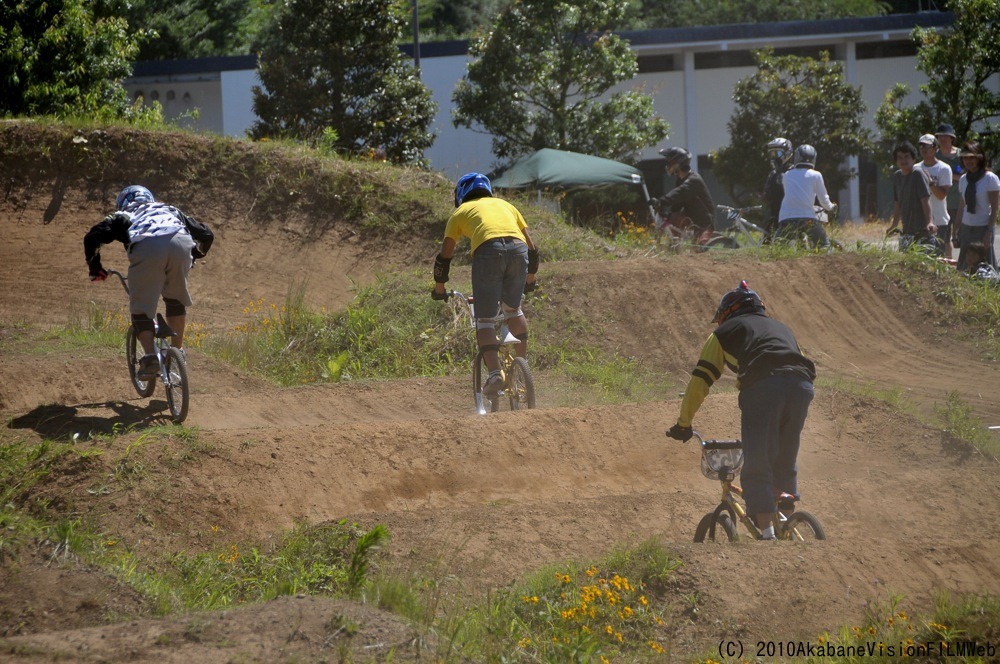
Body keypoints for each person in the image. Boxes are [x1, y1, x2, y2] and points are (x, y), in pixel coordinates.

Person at [666, 281, 816, 541]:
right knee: (785, 455)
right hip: (802, 387)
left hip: (763, 388)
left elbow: (700, 381)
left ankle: (767, 534)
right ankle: (787, 520)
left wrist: (683, 423)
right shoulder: (782, 328)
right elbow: (798, 360)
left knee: (756, 459)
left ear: (726, 313)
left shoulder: (724, 332)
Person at [432, 173, 539, 399]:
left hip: (488, 252)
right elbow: (532, 248)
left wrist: (439, 288)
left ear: (461, 194)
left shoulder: (460, 213)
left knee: (485, 320)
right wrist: (530, 280)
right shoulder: (507, 205)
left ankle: (494, 375)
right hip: (519, 252)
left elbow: (445, 256)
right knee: (513, 310)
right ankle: (522, 368)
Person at [84, 185, 205, 378]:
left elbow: (92, 237)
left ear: (122, 202)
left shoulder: (124, 215)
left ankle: (150, 358)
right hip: (181, 242)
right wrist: (193, 256)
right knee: (175, 299)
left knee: (140, 308)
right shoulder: (170, 210)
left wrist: (95, 268)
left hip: (148, 247)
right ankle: (178, 354)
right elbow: (206, 235)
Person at [654, 147, 716, 245]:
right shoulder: (681, 179)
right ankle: (670, 248)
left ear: (678, 164)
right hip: (690, 216)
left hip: (704, 222)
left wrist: (661, 201)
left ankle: (675, 247)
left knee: (701, 248)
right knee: (670, 220)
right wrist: (666, 212)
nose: (668, 166)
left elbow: (679, 193)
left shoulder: (693, 180)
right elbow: (678, 202)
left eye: (670, 163)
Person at [776, 144, 833, 249]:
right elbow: (824, 200)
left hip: (786, 219)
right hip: (807, 218)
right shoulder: (816, 175)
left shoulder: (787, 175)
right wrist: (831, 207)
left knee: (778, 247)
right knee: (824, 244)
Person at [953, 141, 999, 271]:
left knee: (985, 264)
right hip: (967, 227)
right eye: (965, 158)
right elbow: (962, 207)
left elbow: (995, 207)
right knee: (965, 264)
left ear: (979, 158)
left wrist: (989, 231)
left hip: (983, 227)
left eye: (972, 157)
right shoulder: (963, 179)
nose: (968, 161)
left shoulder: (990, 178)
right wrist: (955, 230)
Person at [887, 141, 935, 253]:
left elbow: (925, 199)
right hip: (907, 231)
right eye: (900, 158)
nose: (903, 161)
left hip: (922, 231)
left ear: (913, 159)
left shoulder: (917, 173)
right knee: (906, 266)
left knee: (924, 267)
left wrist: (930, 222)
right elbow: (897, 203)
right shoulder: (897, 176)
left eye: (906, 157)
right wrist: (894, 225)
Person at [914, 134, 954, 259]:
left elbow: (941, 195)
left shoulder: (944, 168)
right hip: (920, 220)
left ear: (936, 148)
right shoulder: (916, 168)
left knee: (939, 256)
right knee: (921, 256)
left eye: (927, 146)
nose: (924, 149)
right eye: (921, 146)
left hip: (939, 220)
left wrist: (930, 182)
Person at [762, 137, 793, 244]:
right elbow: (767, 195)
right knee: (766, 243)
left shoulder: (793, 172)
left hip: (791, 215)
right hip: (775, 216)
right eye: (772, 154)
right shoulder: (773, 174)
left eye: (778, 153)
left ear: (787, 153)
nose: (774, 157)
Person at [935, 124, 963, 225]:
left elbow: (966, 177)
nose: (942, 139)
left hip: (958, 202)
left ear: (952, 138)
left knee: (958, 235)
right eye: (939, 136)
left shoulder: (961, 155)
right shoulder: (935, 156)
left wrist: (949, 175)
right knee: (943, 238)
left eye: (945, 136)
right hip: (941, 204)